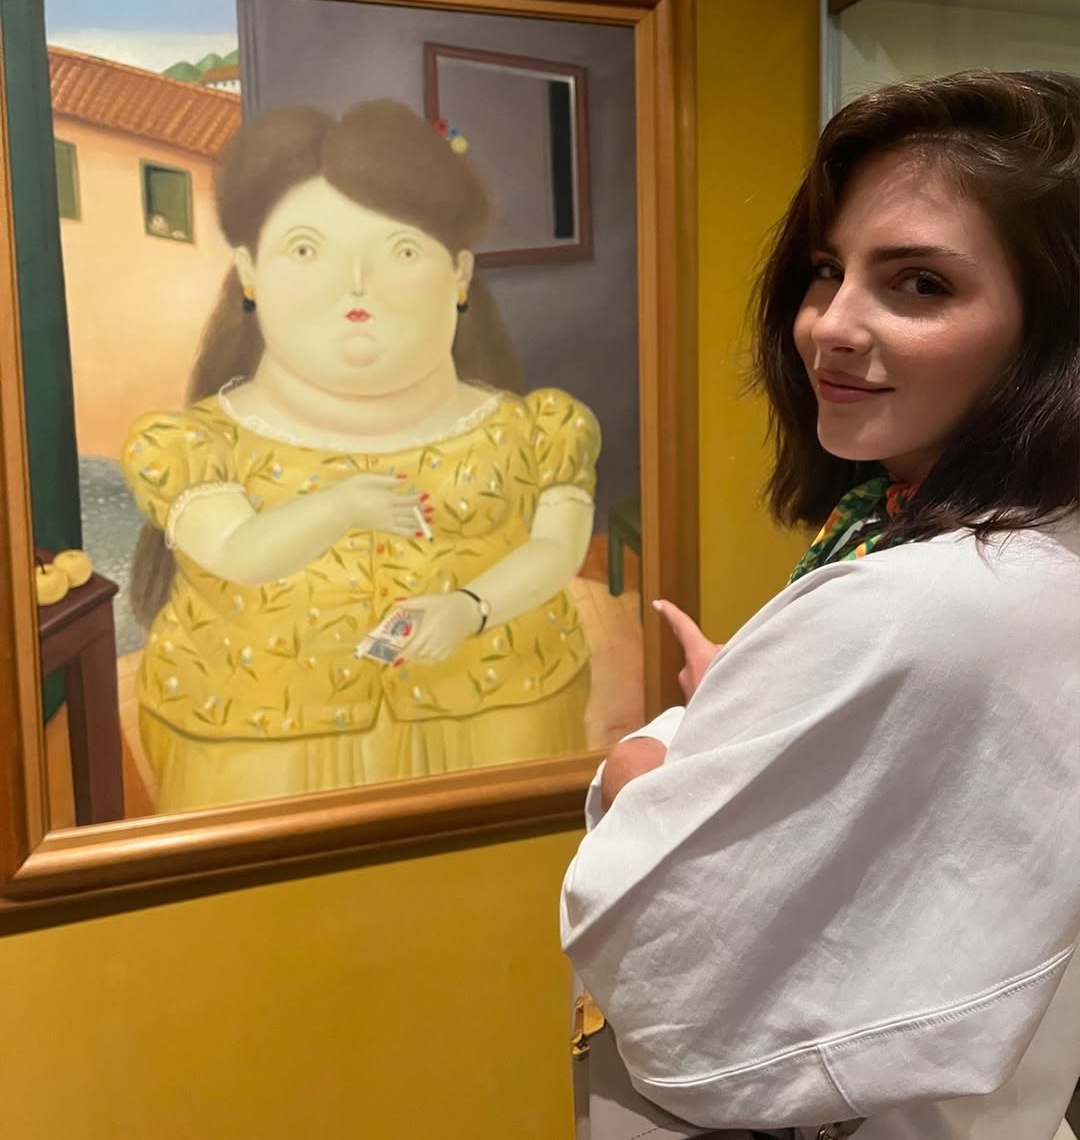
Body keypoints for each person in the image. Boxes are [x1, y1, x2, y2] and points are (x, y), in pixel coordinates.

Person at [561, 70, 1079, 1140]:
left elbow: (674, 983)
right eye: (827, 271)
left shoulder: (929, 605)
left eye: (920, 284)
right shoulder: (967, 536)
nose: (830, 327)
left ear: (1054, 332)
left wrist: (653, 759)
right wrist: (770, 699)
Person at [123, 100, 600, 813]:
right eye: (306, 250)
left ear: (460, 273)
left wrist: (471, 609)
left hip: (505, 722)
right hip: (256, 751)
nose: (356, 284)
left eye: (401, 251)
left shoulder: (536, 432)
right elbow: (240, 550)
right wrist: (340, 506)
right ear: (249, 271)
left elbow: (556, 550)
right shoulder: (198, 447)